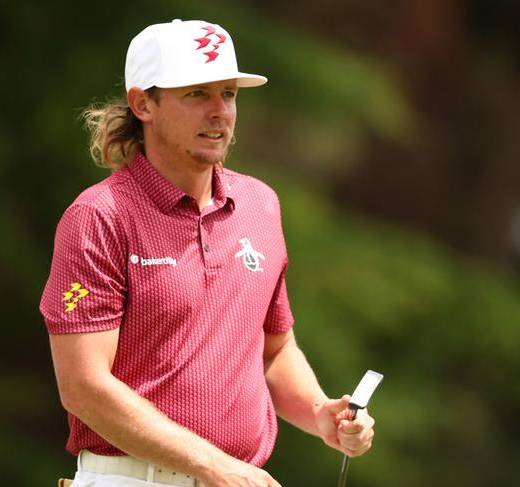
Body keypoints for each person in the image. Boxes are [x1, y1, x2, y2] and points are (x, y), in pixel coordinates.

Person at [40, 19, 376, 487]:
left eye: (229, 94)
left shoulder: (260, 204)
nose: (220, 112)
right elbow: (83, 388)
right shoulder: (99, 218)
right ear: (143, 104)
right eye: (197, 94)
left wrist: (320, 412)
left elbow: (273, 349)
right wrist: (214, 467)